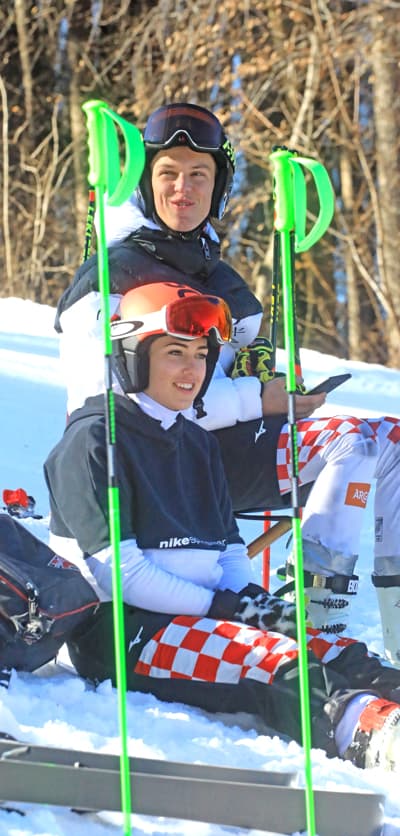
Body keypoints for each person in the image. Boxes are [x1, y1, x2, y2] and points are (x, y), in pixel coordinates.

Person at [54, 102, 400, 662]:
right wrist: (253, 398)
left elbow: (245, 369)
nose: (183, 189)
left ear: (218, 189)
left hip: (221, 459)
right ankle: (312, 632)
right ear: (145, 183)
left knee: (382, 441)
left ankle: (361, 633)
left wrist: (275, 387)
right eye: (167, 173)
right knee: (350, 441)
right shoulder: (112, 273)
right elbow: (115, 398)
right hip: (150, 463)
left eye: (199, 175)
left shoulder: (222, 278)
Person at [44, 282, 400, 774]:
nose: (192, 370)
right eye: (174, 353)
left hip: (202, 611)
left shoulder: (195, 442)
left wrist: (252, 601)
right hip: (126, 632)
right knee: (273, 658)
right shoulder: (93, 441)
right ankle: (373, 732)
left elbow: (228, 549)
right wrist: (224, 607)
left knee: (328, 645)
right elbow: (118, 576)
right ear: (131, 354)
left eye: (200, 355)